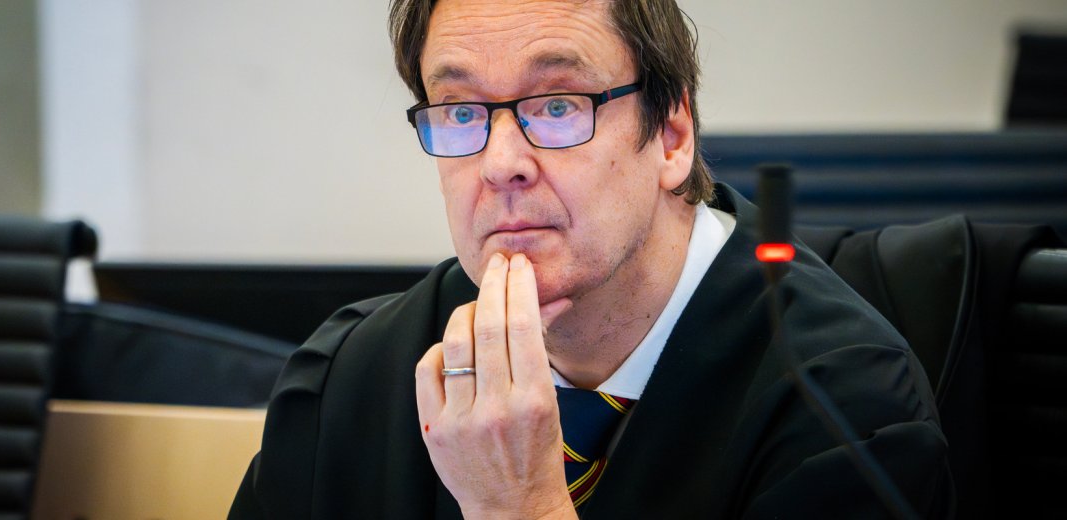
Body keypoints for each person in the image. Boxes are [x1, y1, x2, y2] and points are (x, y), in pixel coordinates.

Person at [230, 0, 952, 518]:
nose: (500, 164)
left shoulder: (847, 412)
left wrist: (522, 507)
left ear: (671, 136)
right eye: (461, 112)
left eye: (557, 106)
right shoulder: (348, 379)